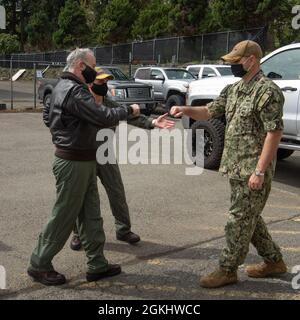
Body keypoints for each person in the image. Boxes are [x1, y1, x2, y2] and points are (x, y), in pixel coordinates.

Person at [171, 40, 287, 288]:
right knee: (249, 218)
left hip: (253, 171)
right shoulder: (234, 90)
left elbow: (274, 133)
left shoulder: (267, 92)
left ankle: (227, 269)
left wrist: (259, 171)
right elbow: (210, 111)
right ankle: (274, 261)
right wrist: (185, 109)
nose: (233, 65)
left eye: (236, 61)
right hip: (235, 168)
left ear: (252, 60)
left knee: (238, 220)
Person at [28, 48, 140, 286]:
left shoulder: (65, 87)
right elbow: (102, 116)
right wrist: (129, 110)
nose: (94, 71)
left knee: (91, 214)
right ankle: (39, 264)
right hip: (73, 162)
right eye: (92, 66)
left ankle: (97, 264)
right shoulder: (73, 90)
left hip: (83, 159)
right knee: (64, 216)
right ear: (80, 66)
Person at [70, 67, 174, 250]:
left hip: (105, 153)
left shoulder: (109, 103)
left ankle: (123, 230)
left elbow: (129, 115)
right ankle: (78, 234)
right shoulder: (81, 102)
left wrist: (152, 122)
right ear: (90, 82)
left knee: (116, 191)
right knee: (81, 196)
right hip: (83, 154)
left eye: (106, 81)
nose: (104, 85)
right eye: (100, 82)